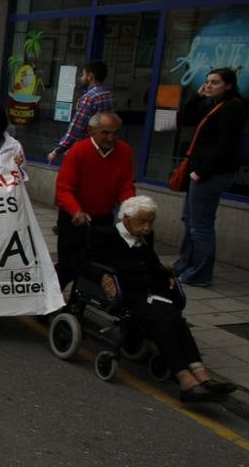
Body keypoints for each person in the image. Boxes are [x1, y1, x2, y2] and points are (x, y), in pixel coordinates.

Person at [77, 196, 236, 403]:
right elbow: (80, 261)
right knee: (161, 321)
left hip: (148, 293)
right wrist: (102, 276)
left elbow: (153, 264)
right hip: (125, 294)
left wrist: (167, 276)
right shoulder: (106, 236)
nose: (147, 228)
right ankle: (184, 378)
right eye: (142, 222)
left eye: (151, 222)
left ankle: (202, 376)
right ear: (126, 219)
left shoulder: (145, 238)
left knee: (176, 318)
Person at [173, 67, 246, 287]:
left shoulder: (233, 108)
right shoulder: (212, 105)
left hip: (211, 173)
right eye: (208, 82)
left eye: (215, 82)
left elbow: (225, 144)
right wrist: (197, 96)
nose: (209, 86)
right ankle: (185, 264)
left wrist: (203, 171)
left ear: (229, 85)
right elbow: (184, 118)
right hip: (199, 170)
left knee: (201, 225)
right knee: (190, 219)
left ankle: (200, 273)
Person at [53, 112, 134, 288]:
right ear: (91, 131)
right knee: (68, 264)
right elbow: (64, 188)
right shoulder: (78, 151)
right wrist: (76, 211)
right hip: (75, 217)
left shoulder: (124, 151)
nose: (111, 138)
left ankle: (81, 298)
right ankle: (48, 302)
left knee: (97, 263)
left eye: (115, 133)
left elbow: (126, 186)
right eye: (105, 132)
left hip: (103, 216)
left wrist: (131, 210)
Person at [48, 60, 114, 164]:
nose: (81, 78)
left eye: (83, 75)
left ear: (90, 76)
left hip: (87, 151)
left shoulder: (89, 98)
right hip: (103, 149)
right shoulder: (108, 94)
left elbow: (75, 129)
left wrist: (57, 151)